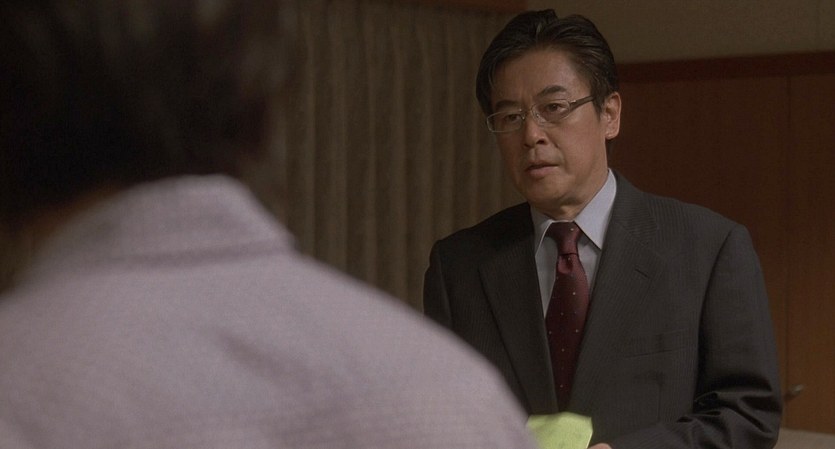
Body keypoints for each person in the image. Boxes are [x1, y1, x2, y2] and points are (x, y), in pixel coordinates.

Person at [0, 1, 537, 448]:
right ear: (265, 97)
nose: (533, 135)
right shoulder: (451, 395)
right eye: (511, 117)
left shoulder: (18, 385)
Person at [423, 9, 782, 449]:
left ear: (609, 114)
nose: (531, 134)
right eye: (511, 117)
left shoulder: (708, 248)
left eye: (553, 108)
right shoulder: (459, 266)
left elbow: (748, 416)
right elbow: (435, 419)